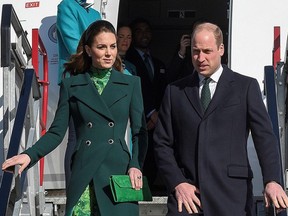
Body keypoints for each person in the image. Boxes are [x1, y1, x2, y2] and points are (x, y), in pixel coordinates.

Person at [2, 20, 148, 215]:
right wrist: (30, 154)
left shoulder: (131, 84)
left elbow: (140, 132)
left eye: (112, 47)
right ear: (88, 50)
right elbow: (56, 132)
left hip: (119, 171)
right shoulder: (72, 85)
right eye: (101, 47)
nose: (109, 53)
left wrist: (136, 165)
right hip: (83, 171)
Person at [153, 22, 288, 215]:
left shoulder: (245, 87)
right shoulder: (174, 91)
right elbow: (161, 143)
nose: (201, 58)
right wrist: (177, 182)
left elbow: (264, 137)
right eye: (195, 51)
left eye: (207, 51)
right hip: (188, 198)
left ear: (221, 49)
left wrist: (272, 180)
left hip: (231, 197)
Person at [56, 0, 101, 188]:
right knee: (76, 136)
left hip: (97, 80)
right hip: (76, 79)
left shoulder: (96, 14)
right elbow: (74, 45)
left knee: (95, 135)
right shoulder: (66, 6)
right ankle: (73, 190)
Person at [125, 17, 167, 193]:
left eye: (147, 30)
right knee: (140, 151)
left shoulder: (157, 63)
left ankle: (148, 188)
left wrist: (160, 114)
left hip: (158, 118)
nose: (144, 34)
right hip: (141, 115)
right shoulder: (127, 59)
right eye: (139, 30)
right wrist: (150, 113)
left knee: (155, 154)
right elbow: (138, 89)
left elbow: (164, 90)